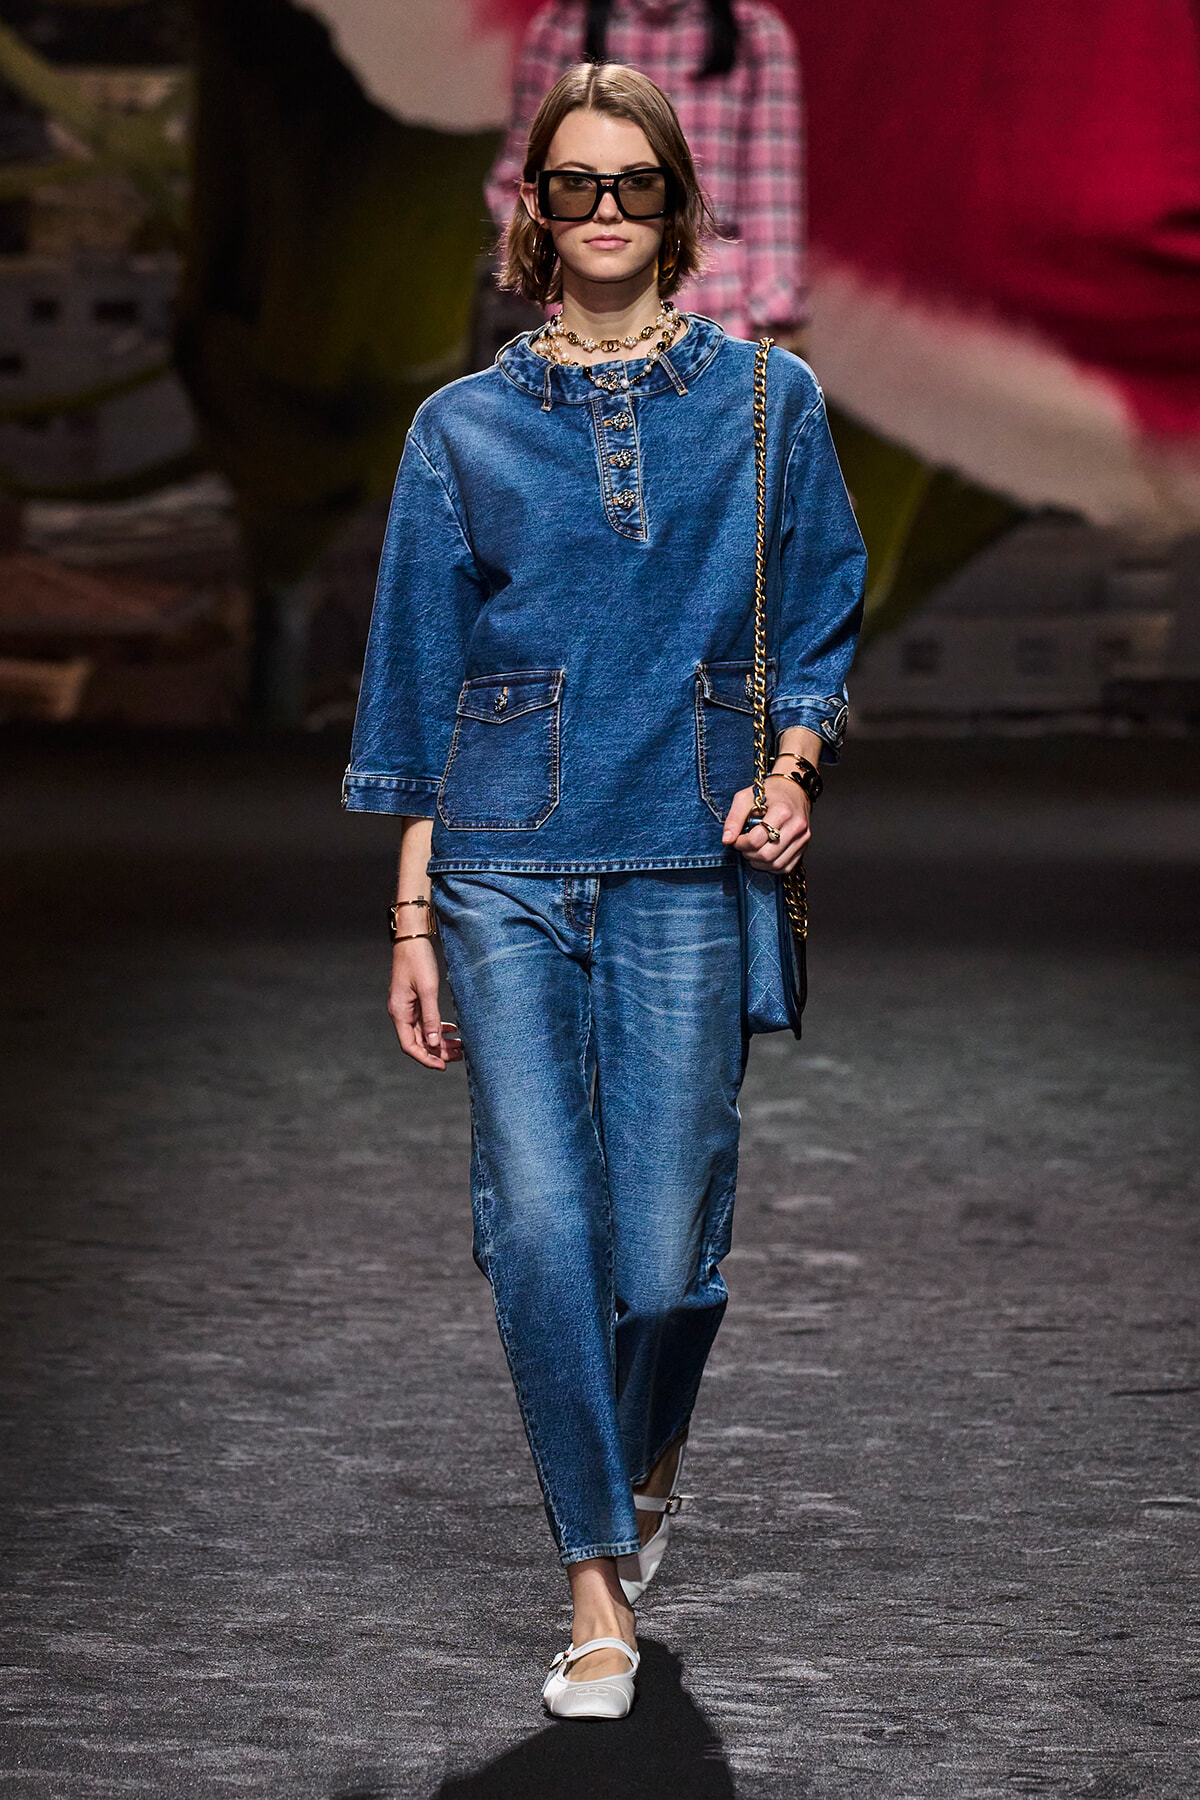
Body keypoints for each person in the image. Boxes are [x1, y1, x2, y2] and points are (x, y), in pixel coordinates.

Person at [344, 62, 863, 1720]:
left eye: (637, 182)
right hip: (501, 865)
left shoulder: (769, 403)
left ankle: (643, 1459)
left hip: (687, 859)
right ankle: (593, 1583)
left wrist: (793, 767)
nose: (608, 211)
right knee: (545, 1226)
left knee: (668, 1260)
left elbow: (821, 609)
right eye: (576, 183)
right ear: (535, 210)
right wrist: (412, 915)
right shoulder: (462, 429)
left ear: (681, 205)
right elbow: (418, 682)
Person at [485, 0, 807, 349]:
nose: (611, 209)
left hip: (722, 315)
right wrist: (554, 286)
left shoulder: (754, 34)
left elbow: (773, 198)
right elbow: (516, 181)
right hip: (583, 315)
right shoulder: (563, 28)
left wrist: (772, 327)